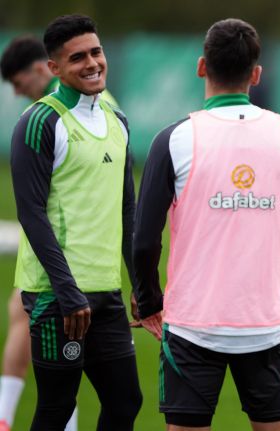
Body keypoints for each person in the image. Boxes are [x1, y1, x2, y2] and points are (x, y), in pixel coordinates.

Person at [133, 18, 280, 431]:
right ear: (256, 74)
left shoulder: (173, 139)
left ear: (201, 67)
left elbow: (144, 240)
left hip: (192, 327)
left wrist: (147, 301)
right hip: (267, 327)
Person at [9, 14, 142, 431]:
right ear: (54, 68)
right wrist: (67, 291)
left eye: (96, 52)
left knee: (125, 403)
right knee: (57, 406)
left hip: (106, 292)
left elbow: (127, 208)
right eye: (77, 57)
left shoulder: (117, 120)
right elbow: (30, 213)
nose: (92, 63)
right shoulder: (38, 122)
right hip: (56, 296)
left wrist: (141, 282)